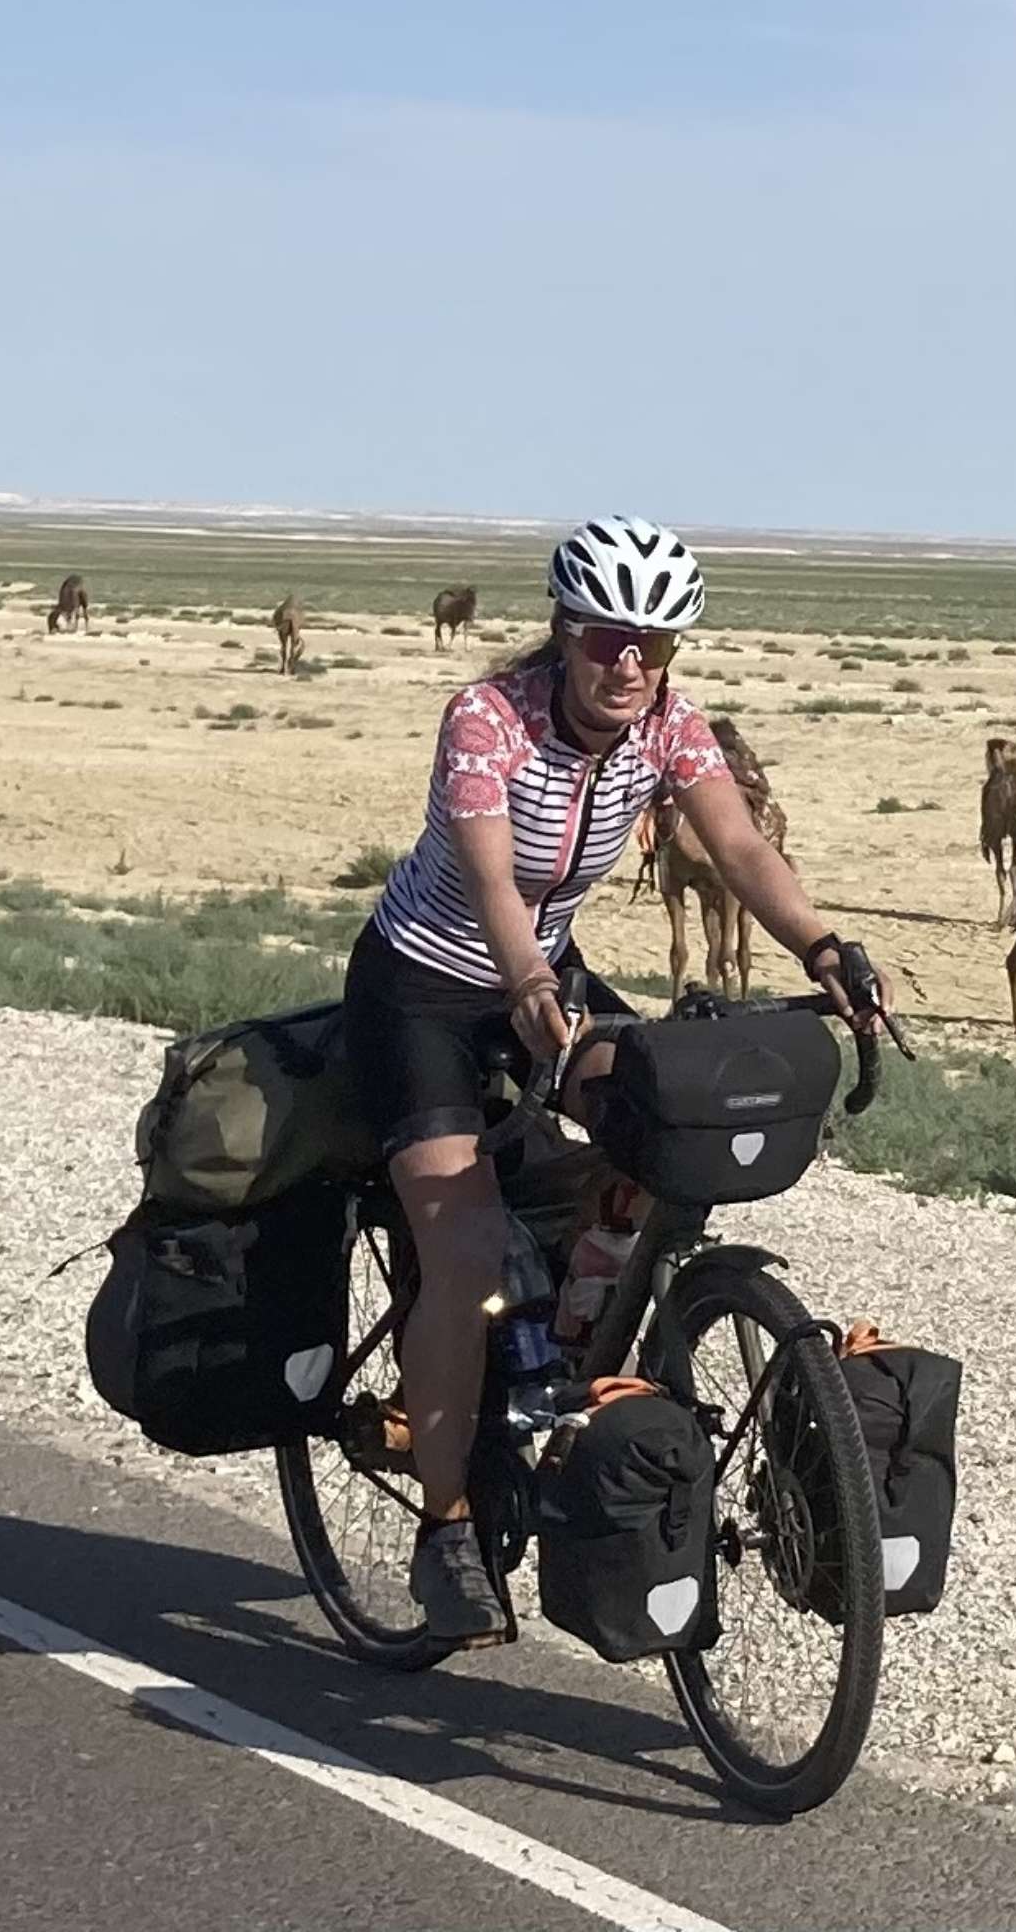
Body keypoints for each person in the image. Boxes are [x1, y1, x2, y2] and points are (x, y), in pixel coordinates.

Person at [343, 515, 889, 1646]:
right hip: (428, 988)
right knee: (458, 1248)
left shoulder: (666, 726)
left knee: (656, 1118)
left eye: (652, 643)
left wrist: (825, 950)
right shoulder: (487, 720)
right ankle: (444, 1528)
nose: (627, 663)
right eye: (604, 639)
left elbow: (739, 849)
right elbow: (492, 875)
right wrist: (528, 976)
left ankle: (573, 1349)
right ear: (562, 630)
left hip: (547, 972)